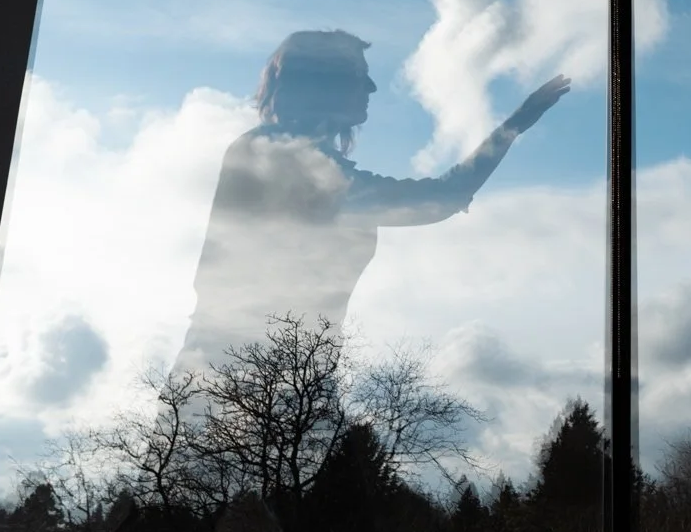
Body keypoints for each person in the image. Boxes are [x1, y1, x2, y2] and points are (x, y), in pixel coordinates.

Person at [173, 29, 570, 374]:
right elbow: (440, 198)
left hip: (273, 377)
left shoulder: (282, 154)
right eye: (359, 76)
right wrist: (515, 125)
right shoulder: (285, 162)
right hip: (246, 381)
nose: (372, 88)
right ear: (324, 84)